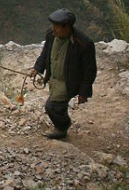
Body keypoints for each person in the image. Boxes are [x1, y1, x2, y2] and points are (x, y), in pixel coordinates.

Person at [28, 8, 97, 139]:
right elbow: (45, 54)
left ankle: (62, 128)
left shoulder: (83, 44)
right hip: (54, 79)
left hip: (68, 82)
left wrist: (83, 92)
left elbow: (90, 71)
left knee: (51, 106)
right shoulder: (51, 35)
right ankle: (62, 121)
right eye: (53, 25)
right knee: (59, 106)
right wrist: (37, 68)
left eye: (57, 26)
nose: (53, 29)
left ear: (67, 27)